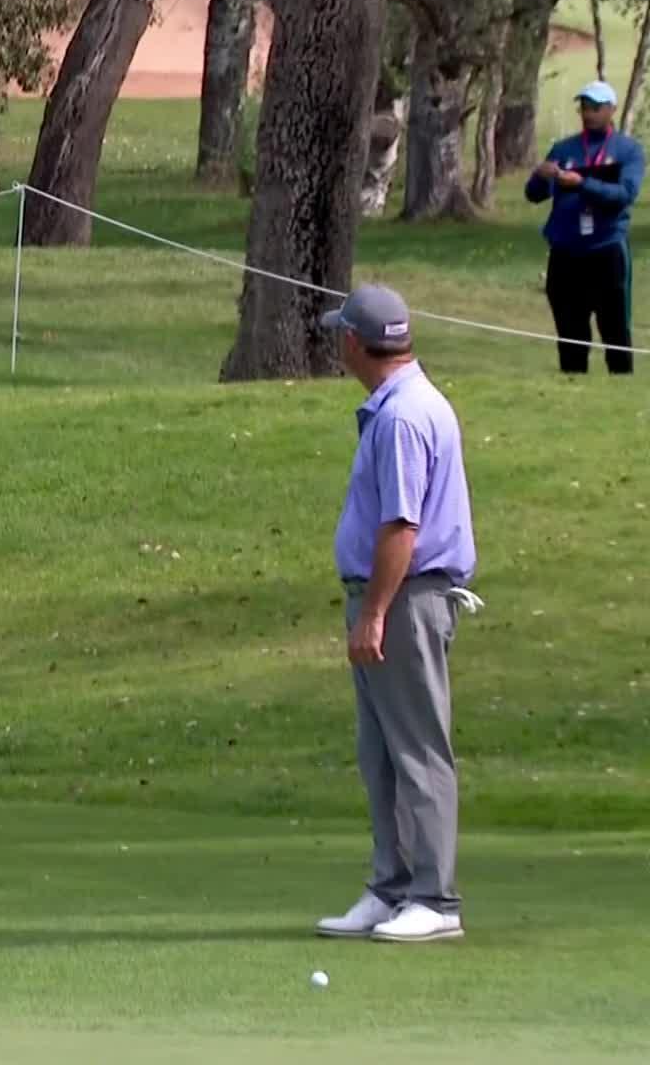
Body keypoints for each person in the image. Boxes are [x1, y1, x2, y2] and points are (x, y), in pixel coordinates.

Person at [313, 285, 481, 944]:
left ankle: (434, 899)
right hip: (392, 597)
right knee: (380, 751)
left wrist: (375, 613)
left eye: (341, 334)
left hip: (405, 599)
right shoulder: (402, 406)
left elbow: (402, 528)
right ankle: (392, 888)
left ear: (355, 343)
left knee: (417, 750)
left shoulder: (402, 417)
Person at [525, 79, 642, 375]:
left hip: (606, 247)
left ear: (611, 109)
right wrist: (540, 176)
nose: (589, 113)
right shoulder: (564, 148)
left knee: (614, 324)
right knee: (569, 325)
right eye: (584, 107)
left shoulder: (627, 150)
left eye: (596, 108)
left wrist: (582, 183)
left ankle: (620, 380)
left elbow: (625, 194)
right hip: (566, 249)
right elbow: (534, 194)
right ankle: (572, 381)